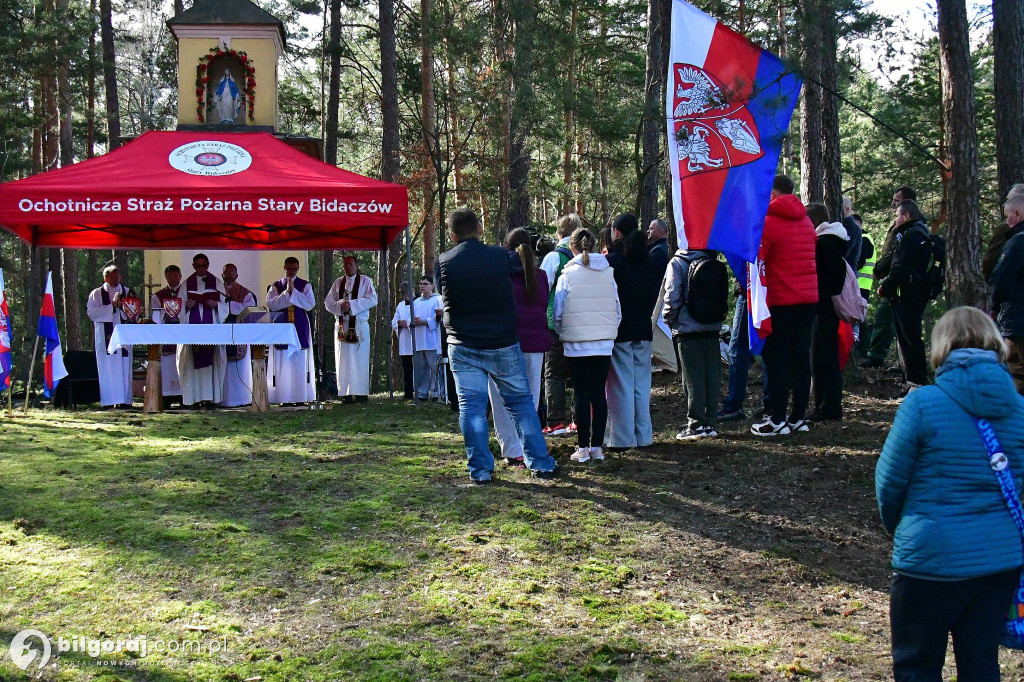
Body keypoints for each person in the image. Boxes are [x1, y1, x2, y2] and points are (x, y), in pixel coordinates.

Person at [876, 306, 1024, 682]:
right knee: (981, 664)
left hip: (930, 558)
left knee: (917, 665)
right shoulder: (1020, 409)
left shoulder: (922, 403)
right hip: (999, 560)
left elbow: (889, 482)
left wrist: (906, 528)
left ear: (941, 347)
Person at [437, 208, 558, 483]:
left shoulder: (444, 262)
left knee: (472, 409)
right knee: (521, 403)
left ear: (453, 234)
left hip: (463, 343)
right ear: (479, 228)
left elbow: (443, 297)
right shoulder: (501, 257)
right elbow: (526, 265)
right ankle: (540, 462)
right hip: (502, 342)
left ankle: (480, 470)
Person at [751, 175, 818, 437]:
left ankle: (776, 417)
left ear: (771, 195)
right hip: (807, 300)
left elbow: (757, 260)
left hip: (780, 302)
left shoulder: (768, 224)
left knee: (777, 361)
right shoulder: (806, 222)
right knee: (801, 360)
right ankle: (798, 417)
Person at [553, 227, 621, 462]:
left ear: (571, 247)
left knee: (581, 393)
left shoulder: (567, 275)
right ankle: (597, 447)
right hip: (603, 343)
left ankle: (582, 447)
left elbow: (558, 313)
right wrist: (608, 333)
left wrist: (565, 333)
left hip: (576, 344)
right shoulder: (607, 273)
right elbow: (617, 309)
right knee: (598, 393)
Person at [488, 228, 551, 466]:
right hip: (535, 343)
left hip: (505, 342)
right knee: (530, 397)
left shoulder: (500, 276)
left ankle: (512, 448)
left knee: (502, 398)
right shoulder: (541, 276)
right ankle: (528, 445)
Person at [604, 214, 660, 449]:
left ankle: (623, 438)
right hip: (643, 330)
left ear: (616, 232)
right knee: (641, 386)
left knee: (622, 386)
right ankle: (644, 436)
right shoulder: (650, 262)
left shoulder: (614, 263)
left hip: (621, 331)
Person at [663, 245, 726, 440]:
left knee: (692, 380)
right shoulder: (712, 259)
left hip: (687, 329)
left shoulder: (678, 261)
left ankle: (696, 424)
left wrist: (670, 319)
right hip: (712, 327)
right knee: (712, 378)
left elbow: (672, 295)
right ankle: (710, 421)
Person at [878, 200, 932, 388]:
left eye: (897, 215)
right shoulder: (922, 232)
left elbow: (900, 266)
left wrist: (886, 287)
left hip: (907, 295)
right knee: (911, 339)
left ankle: (914, 383)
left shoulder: (911, 235)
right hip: (915, 293)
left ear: (906, 216)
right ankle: (913, 381)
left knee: (909, 341)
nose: (896, 220)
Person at [863, 186, 916, 368]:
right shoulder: (899, 225)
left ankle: (878, 357)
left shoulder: (909, 229)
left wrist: (881, 270)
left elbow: (895, 254)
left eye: (896, 200)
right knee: (891, 321)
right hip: (893, 277)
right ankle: (900, 363)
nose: (893, 203)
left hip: (900, 281)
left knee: (887, 319)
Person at [806, 203, 848, 421]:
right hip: (827, 308)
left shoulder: (824, 244)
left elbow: (829, 279)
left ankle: (827, 407)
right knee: (825, 356)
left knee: (823, 357)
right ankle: (826, 405)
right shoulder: (833, 241)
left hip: (823, 308)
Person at [540, 213, 581, 436]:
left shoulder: (553, 257)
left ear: (560, 233)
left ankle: (556, 421)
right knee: (578, 373)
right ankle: (578, 418)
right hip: (582, 324)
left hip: (555, 323)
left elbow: (542, 289)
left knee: (553, 374)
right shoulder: (589, 257)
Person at [325, 255, 377, 403]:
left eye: (350, 264)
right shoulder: (338, 283)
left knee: (360, 359)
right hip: (342, 325)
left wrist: (352, 305)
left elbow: (373, 299)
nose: (347, 266)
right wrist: (341, 304)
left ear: (356, 265)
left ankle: (360, 393)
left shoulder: (365, 281)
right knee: (343, 359)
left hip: (359, 325)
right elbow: (328, 302)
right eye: (345, 264)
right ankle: (346, 393)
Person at [178, 253, 227, 408]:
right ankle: (193, 399)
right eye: (198, 266)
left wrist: (217, 305)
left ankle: (212, 399)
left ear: (208, 265)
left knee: (212, 362)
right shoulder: (186, 285)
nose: (201, 269)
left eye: (204, 265)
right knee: (192, 362)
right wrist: (187, 306)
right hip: (192, 326)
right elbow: (178, 307)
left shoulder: (217, 282)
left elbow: (226, 305)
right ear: (193, 266)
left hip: (211, 324)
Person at [266, 256, 316, 405]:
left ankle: (300, 397)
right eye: (288, 268)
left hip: (300, 326)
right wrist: (287, 293)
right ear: (284, 267)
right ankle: (284, 397)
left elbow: (310, 304)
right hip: (281, 326)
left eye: (294, 268)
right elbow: (272, 305)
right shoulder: (275, 286)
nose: (291, 271)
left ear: (298, 268)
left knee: (299, 360)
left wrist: (294, 292)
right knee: (283, 361)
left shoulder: (305, 286)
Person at [988, 193, 1024, 394]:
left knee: (1016, 368)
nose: (1006, 222)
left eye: (1008, 216)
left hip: (1018, 318)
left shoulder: (1017, 243)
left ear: (1017, 214)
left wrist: (995, 306)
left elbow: (1000, 277)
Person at [86, 265, 134, 408]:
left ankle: (125, 401)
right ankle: (109, 400)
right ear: (106, 278)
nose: (116, 280)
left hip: (124, 335)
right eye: (113, 277)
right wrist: (112, 306)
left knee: (124, 365)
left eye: (118, 276)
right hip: (106, 336)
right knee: (108, 366)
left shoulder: (127, 292)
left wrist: (123, 308)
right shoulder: (97, 294)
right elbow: (92, 313)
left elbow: (133, 313)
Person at [220, 263, 256, 408]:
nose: (229, 275)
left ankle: (242, 398)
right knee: (222, 366)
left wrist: (227, 306)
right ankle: (221, 400)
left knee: (238, 368)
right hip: (222, 332)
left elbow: (248, 309)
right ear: (222, 275)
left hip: (239, 332)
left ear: (236, 275)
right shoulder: (216, 290)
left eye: (231, 272)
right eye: (226, 273)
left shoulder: (245, 293)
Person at [150, 264, 183, 406]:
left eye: (176, 276)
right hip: (166, 333)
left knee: (183, 362)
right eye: (170, 276)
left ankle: (183, 396)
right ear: (166, 277)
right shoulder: (158, 296)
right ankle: (167, 396)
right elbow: (156, 315)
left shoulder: (186, 292)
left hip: (182, 332)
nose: (173, 278)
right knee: (168, 365)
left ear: (180, 277)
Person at [982, 183, 1024, 282]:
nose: (1005, 204)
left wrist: (987, 283)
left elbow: (991, 259)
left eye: (1010, 200)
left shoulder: (1007, 227)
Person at [410, 275, 443, 400]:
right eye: (421, 284)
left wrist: (424, 322)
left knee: (435, 367)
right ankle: (421, 393)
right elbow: (410, 317)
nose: (422, 286)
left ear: (432, 286)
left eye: (425, 283)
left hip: (433, 339)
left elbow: (438, 318)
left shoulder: (438, 299)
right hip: (419, 339)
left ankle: (437, 392)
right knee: (420, 368)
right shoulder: (416, 302)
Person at [391, 283, 414, 400]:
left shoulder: (418, 302)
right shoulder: (400, 305)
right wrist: (398, 324)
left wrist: (408, 323)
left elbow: (419, 316)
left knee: (418, 368)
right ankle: (408, 391)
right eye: (404, 294)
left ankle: (422, 391)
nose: (406, 296)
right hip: (405, 341)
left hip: (415, 339)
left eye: (407, 293)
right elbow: (394, 321)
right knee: (407, 369)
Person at [841, 197, 862, 269]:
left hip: (848, 271)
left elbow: (844, 251)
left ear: (847, 209)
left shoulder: (852, 228)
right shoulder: (844, 225)